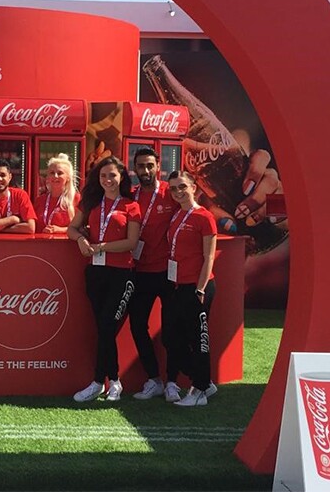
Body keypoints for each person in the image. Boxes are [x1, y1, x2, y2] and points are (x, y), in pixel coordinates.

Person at [67, 156, 140, 402]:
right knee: (103, 328)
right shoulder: (91, 203)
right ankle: (108, 383)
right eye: (103, 176)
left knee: (107, 326)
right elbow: (72, 228)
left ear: (122, 178)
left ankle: (104, 381)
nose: (108, 180)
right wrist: (80, 240)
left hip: (121, 275)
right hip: (95, 274)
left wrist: (100, 247)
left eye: (112, 175)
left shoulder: (131, 206)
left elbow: (131, 242)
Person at [127, 148, 179, 401]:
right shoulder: (131, 195)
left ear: (158, 166)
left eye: (149, 165)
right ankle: (154, 379)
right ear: (134, 168)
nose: (145, 171)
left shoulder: (172, 193)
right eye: (140, 166)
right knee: (137, 325)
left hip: (169, 273)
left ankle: (173, 382)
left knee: (171, 330)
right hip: (140, 271)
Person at [164, 170, 218, 407]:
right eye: (173, 188)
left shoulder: (204, 217)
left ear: (194, 187)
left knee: (198, 340)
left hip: (197, 287)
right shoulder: (177, 216)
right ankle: (204, 381)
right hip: (178, 285)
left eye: (182, 186)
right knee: (171, 338)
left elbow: (209, 257)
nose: (178, 192)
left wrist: (200, 289)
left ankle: (199, 392)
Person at [33, 153, 79, 234]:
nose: (55, 176)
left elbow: (84, 227)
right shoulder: (40, 200)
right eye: (52, 173)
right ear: (48, 176)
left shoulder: (76, 199)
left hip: (65, 245)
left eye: (60, 173)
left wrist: (60, 230)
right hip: (41, 244)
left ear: (68, 177)